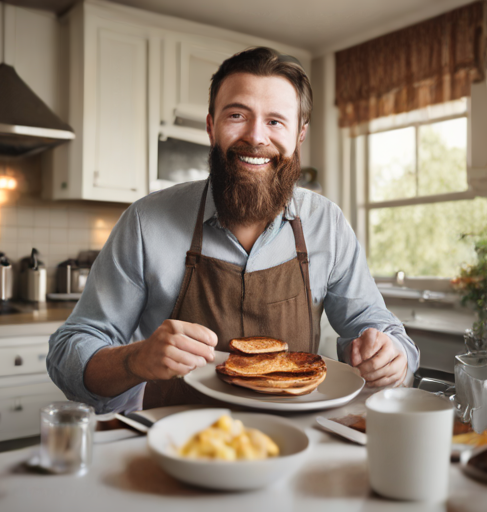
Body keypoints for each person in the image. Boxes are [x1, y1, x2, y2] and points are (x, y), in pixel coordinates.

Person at [47, 47, 419, 413]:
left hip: (297, 449)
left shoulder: (328, 224)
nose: (256, 137)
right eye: (237, 115)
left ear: (299, 135)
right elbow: (68, 351)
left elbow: (377, 327)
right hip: (171, 448)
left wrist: (392, 356)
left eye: (275, 121)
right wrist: (134, 359)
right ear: (211, 127)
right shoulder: (146, 222)